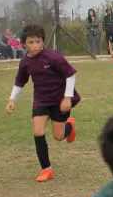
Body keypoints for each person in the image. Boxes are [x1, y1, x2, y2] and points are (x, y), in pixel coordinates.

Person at [6, 24, 80, 182]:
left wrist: (67, 98)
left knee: (59, 136)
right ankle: (46, 170)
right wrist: (12, 99)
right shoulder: (25, 62)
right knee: (38, 132)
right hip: (41, 100)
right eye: (31, 42)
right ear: (24, 44)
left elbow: (71, 74)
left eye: (38, 42)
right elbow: (20, 81)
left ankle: (69, 126)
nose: (35, 46)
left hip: (59, 100)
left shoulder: (53, 57)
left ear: (43, 42)